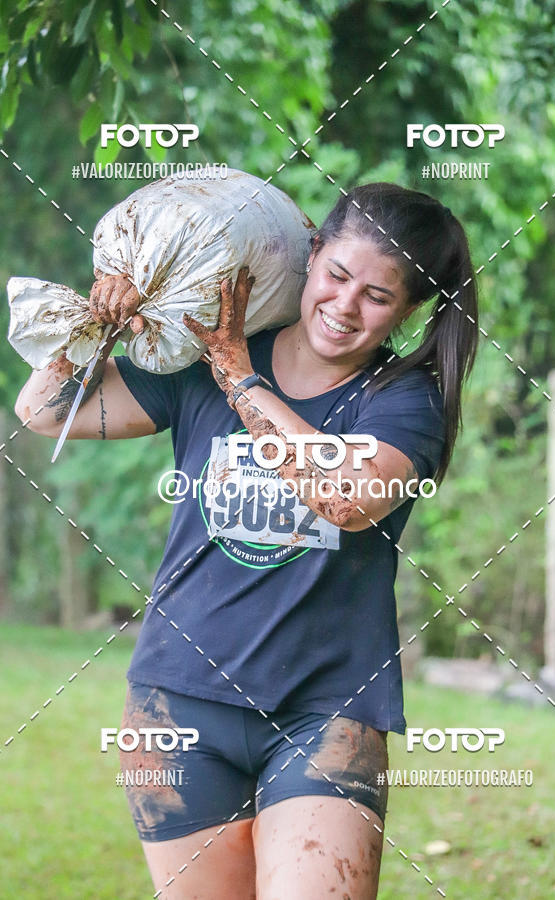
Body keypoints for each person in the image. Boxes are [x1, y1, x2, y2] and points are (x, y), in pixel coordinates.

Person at [15, 182, 478, 899]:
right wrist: (95, 319)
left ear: (409, 311)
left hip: (324, 710)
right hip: (178, 704)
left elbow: (346, 498)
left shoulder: (402, 399)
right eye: (337, 276)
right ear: (312, 254)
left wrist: (240, 376)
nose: (345, 306)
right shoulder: (204, 360)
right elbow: (43, 411)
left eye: (378, 297)